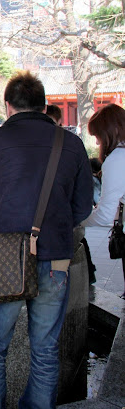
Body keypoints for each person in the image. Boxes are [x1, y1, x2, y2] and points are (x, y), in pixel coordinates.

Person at [0, 71, 93, 409]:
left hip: (5, 258)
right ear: (43, 104)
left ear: (7, 105)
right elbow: (82, 208)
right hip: (56, 261)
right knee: (45, 350)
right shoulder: (71, 144)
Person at [82, 104, 125, 299]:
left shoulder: (117, 159)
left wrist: (80, 221)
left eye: (98, 135)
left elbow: (106, 214)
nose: (98, 143)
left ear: (113, 131)